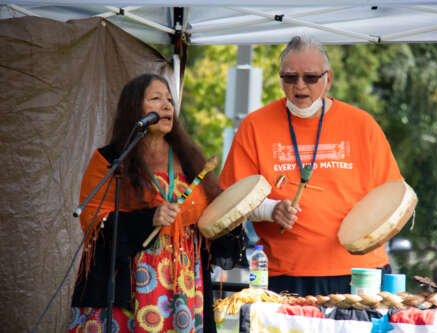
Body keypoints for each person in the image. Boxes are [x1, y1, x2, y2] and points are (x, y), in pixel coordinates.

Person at [219, 36, 403, 296]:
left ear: (328, 79)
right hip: (285, 275)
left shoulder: (362, 125)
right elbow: (231, 200)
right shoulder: (254, 126)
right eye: (290, 78)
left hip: (360, 273)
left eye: (311, 77)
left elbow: (392, 197)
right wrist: (271, 210)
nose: (300, 86)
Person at [69, 73, 246, 332]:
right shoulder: (110, 159)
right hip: (128, 283)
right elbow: (94, 220)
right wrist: (148, 218)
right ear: (134, 109)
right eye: (155, 99)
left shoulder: (190, 160)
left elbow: (214, 216)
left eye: (169, 101)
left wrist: (233, 219)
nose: (166, 106)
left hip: (186, 285)